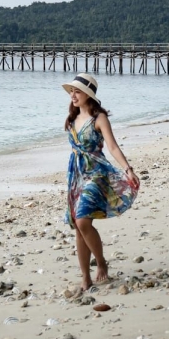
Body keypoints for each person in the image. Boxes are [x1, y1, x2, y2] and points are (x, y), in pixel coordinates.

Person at [62, 73, 140, 291]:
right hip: (76, 175)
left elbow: (113, 147)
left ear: (88, 94)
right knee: (78, 225)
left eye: (77, 91)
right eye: (71, 91)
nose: (73, 95)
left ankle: (102, 262)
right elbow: (74, 149)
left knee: (83, 221)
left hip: (96, 173)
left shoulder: (100, 119)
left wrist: (128, 169)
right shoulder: (71, 118)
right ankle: (85, 277)